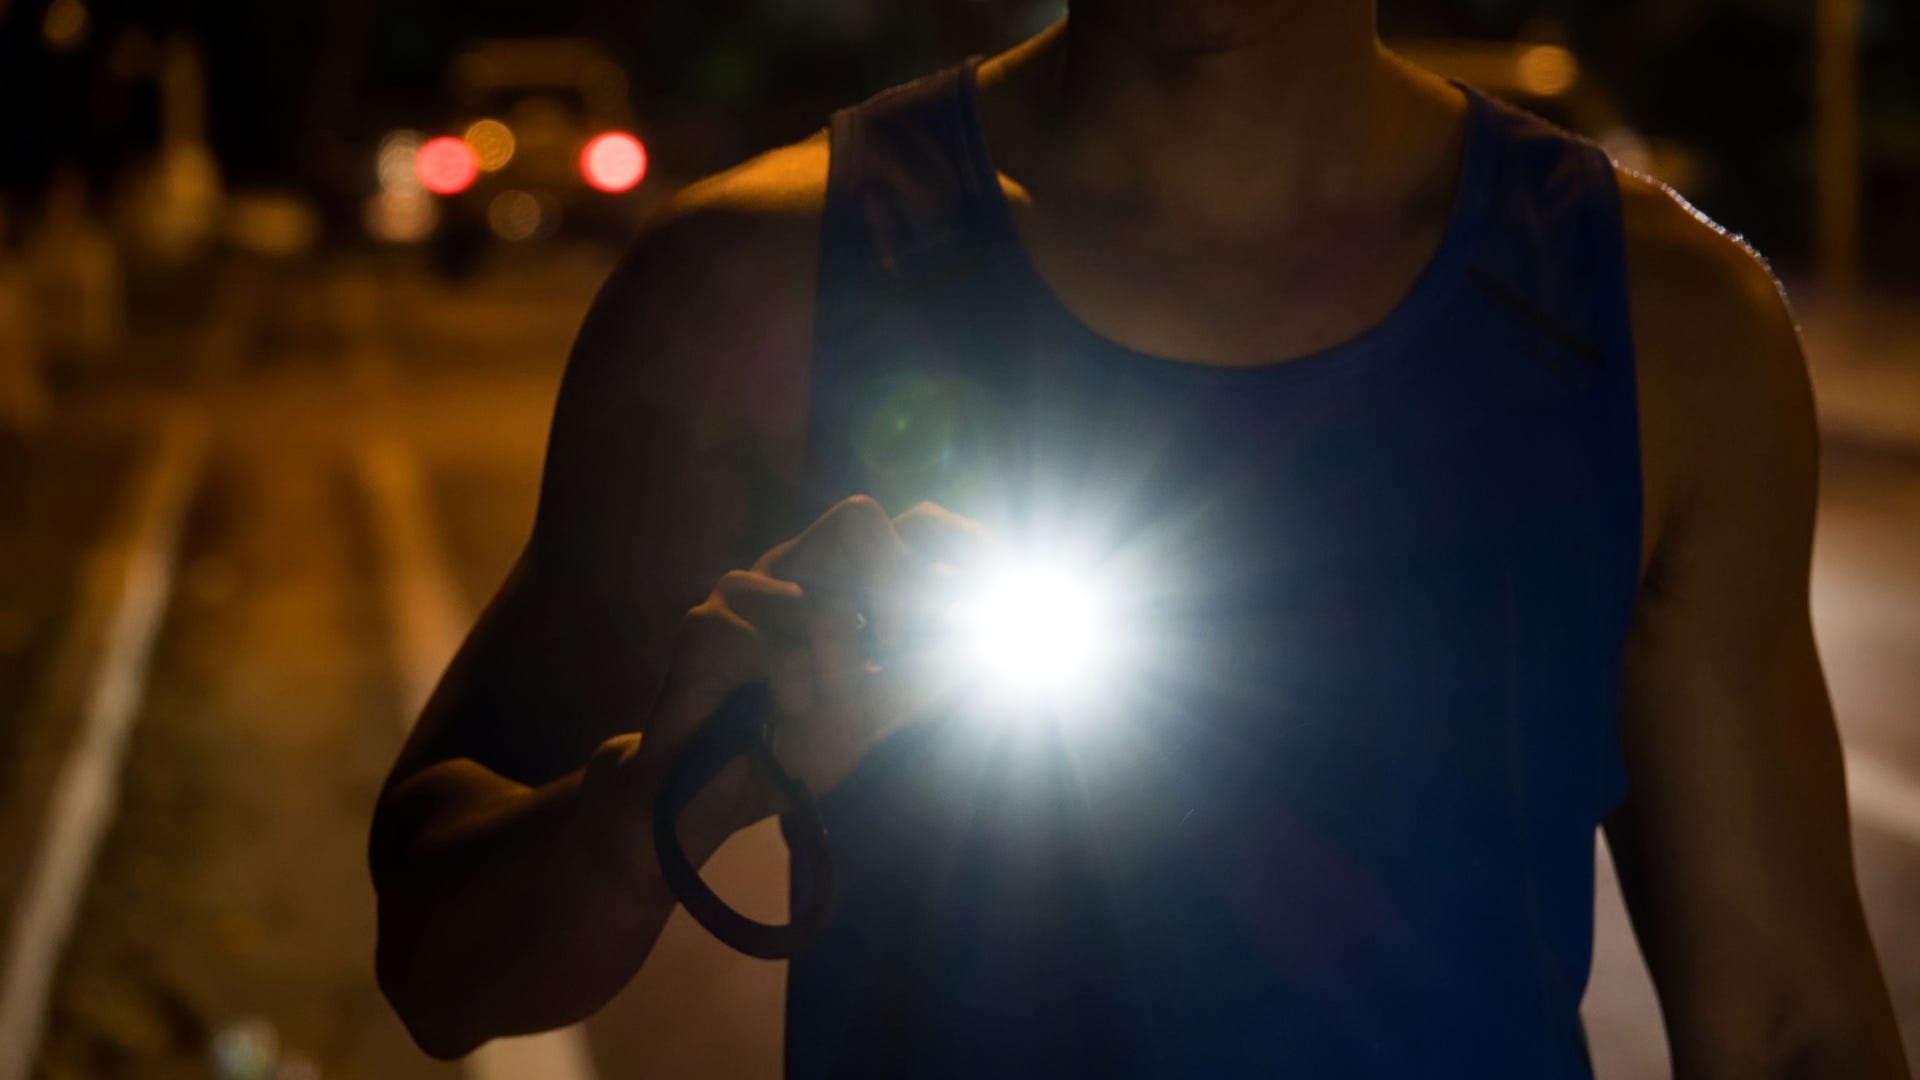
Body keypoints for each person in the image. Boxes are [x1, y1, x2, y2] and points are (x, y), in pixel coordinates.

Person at [369, 3, 1911, 1076]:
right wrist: (676, 786)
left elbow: (1790, 1038)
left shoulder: (1661, 323)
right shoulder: (751, 285)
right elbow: (440, 965)